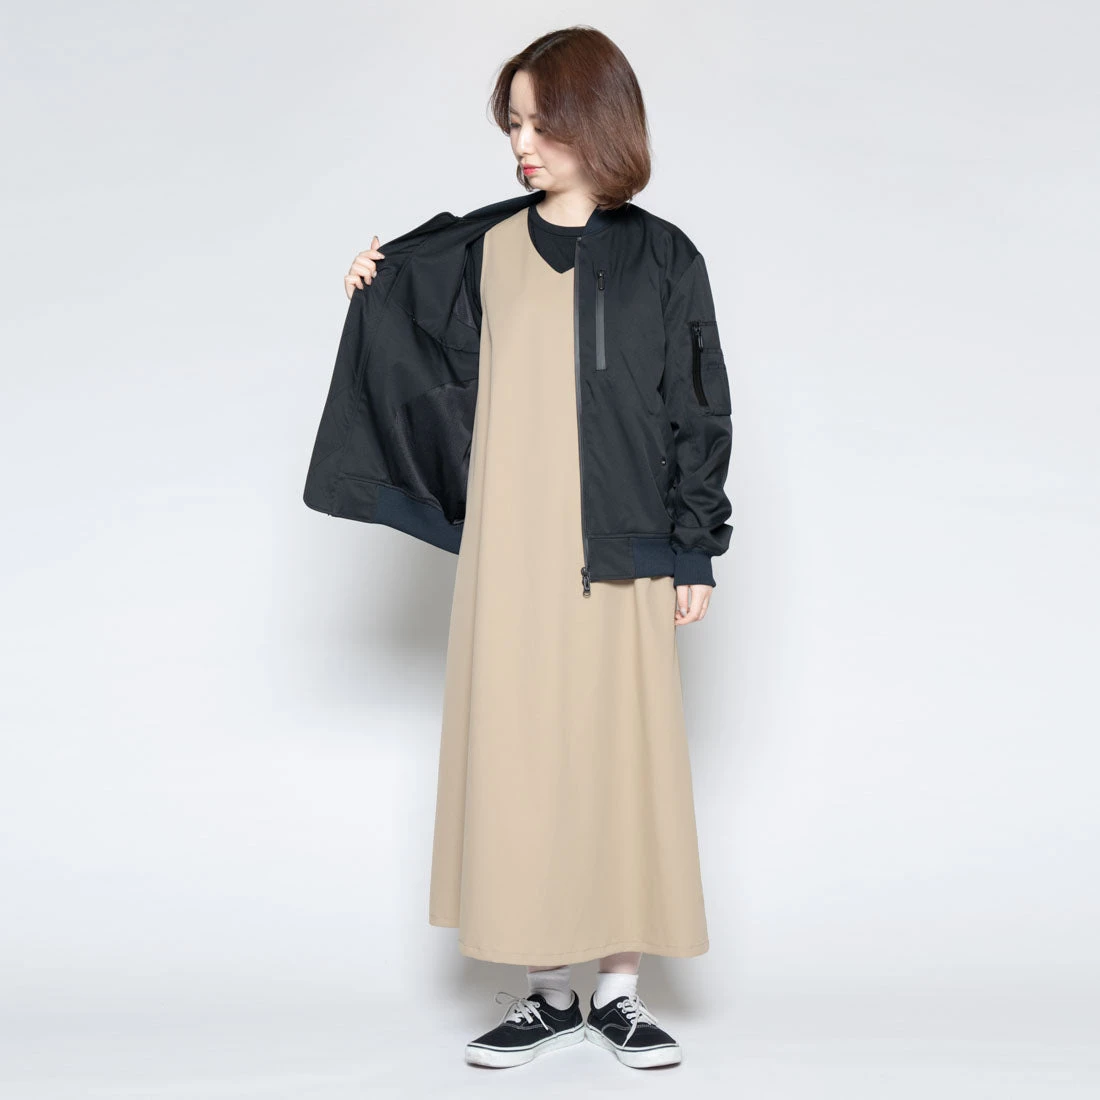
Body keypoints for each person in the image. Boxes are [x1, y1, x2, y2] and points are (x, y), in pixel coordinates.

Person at [316, 26, 732, 1071]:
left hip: (623, 549)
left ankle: (619, 993)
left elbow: (697, 407)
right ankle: (547, 994)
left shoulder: (666, 259)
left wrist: (694, 548)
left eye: (541, 122)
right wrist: (371, 282)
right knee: (520, 759)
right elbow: (411, 345)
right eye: (512, 123)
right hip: (510, 556)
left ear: (599, 119)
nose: (522, 145)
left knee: (620, 760)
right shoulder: (483, 249)